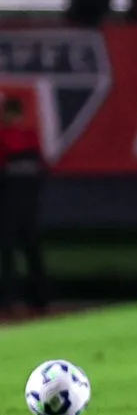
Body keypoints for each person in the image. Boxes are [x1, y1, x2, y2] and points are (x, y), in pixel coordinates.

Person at [0, 96, 48, 315]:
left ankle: (39, 299)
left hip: (27, 203)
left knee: (32, 252)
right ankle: (9, 299)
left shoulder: (30, 136)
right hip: (7, 203)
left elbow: (40, 167)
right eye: (8, 114)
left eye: (15, 114)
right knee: (8, 253)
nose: (12, 118)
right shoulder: (2, 136)